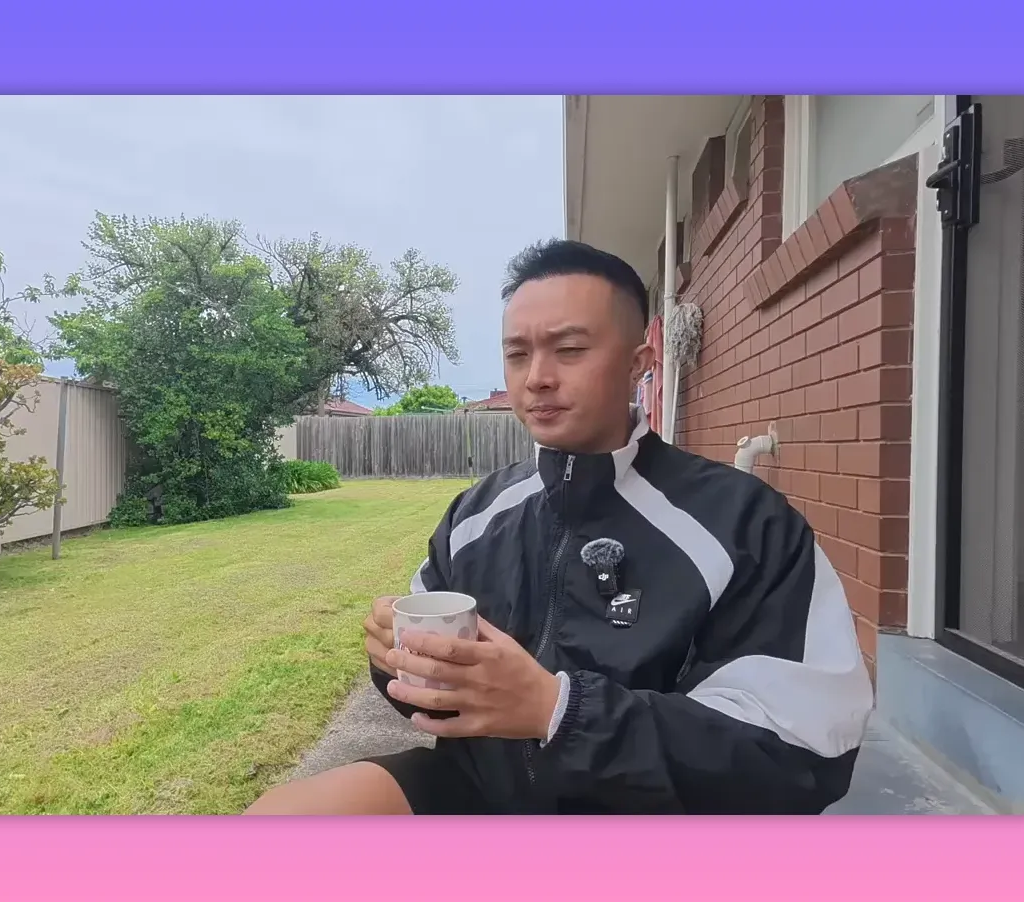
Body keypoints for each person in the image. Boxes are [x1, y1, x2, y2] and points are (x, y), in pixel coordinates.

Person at [245, 239, 874, 815]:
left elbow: (801, 753)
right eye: (517, 354)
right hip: (480, 791)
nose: (536, 376)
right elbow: (430, 699)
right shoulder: (476, 515)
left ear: (641, 361)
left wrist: (557, 711)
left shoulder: (745, 524)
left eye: (569, 350)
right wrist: (399, 663)